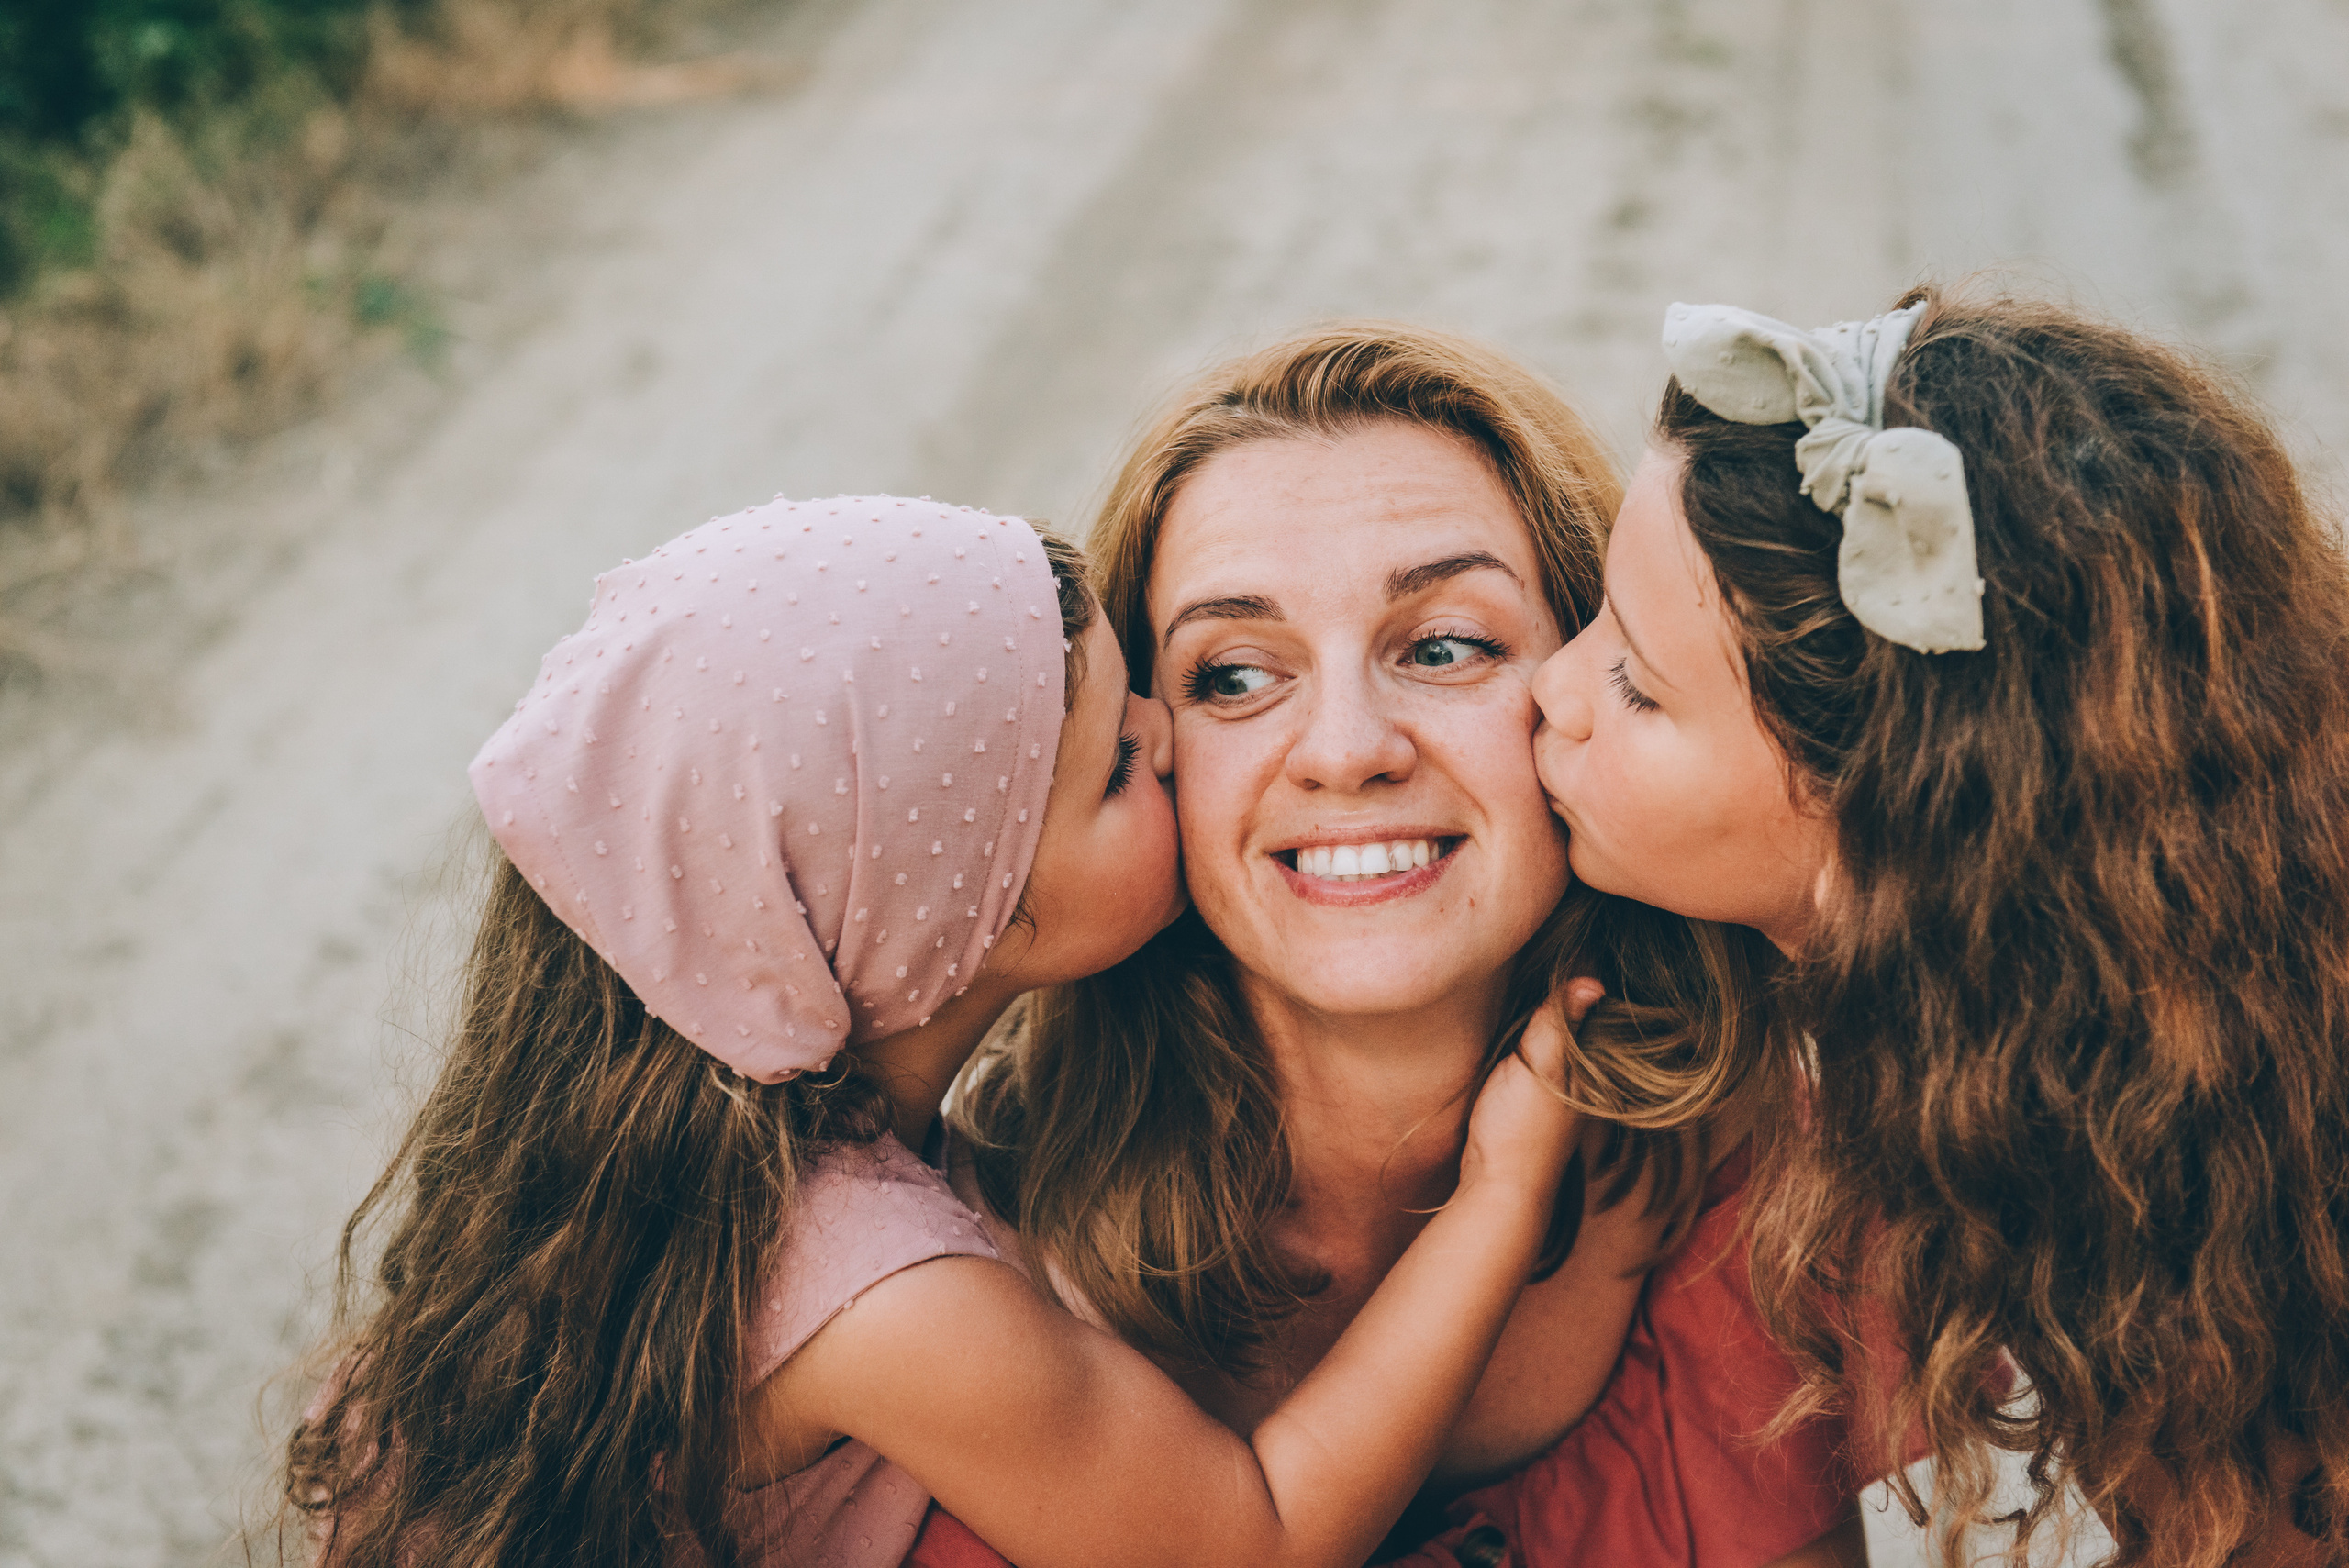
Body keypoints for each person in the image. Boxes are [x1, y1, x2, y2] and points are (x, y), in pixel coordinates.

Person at [279, 495, 1603, 1568]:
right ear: (960, 918)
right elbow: (1250, 1538)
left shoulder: (729, 1178)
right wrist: (1499, 1189)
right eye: (1121, 765)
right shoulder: (885, 1292)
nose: (1170, 734)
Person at [960, 324, 1869, 1568]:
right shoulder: (959, 1235)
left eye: (1445, 647)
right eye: (1232, 674)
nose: (1347, 747)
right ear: (1131, 746)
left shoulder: (1784, 1201)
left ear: (1594, 687)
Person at [1529, 287, 2349, 1567]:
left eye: (1635, 683)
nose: (1554, 688)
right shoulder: (1938, 1049)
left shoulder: (2172, 1226)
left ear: (1890, 827)